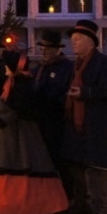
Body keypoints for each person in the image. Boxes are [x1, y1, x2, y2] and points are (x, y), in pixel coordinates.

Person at [0, 51, 68, 214]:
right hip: (15, 136)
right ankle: (9, 207)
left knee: (20, 165)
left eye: (8, 65)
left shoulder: (22, 86)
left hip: (19, 137)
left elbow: (9, 111)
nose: (5, 67)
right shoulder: (14, 83)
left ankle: (23, 208)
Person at [60, 19, 107, 214]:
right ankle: (82, 205)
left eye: (78, 39)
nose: (73, 43)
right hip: (79, 126)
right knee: (77, 166)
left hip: (100, 127)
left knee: (101, 170)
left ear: (91, 42)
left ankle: (103, 212)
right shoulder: (77, 65)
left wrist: (86, 93)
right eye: (72, 39)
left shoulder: (104, 64)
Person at [31, 30, 74, 175]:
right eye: (42, 49)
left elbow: (62, 92)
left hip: (56, 120)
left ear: (57, 49)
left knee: (56, 157)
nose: (44, 52)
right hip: (40, 118)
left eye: (47, 49)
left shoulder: (66, 68)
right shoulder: (39, 67)